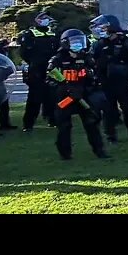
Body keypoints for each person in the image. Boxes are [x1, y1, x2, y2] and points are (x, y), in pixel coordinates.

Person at [47, 29, 109, 160]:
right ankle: (65, 154)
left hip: (83, 96)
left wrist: (91, 86)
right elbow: (50, 79)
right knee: (64, 125)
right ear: (65, 43)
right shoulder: (57, 60)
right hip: (66, 98)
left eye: (80, 42)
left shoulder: (86, 58)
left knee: (92, 122)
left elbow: (95, 76)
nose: (78, 45)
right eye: (74, 42)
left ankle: (99, 150)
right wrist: (64, 88)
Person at [89, 14, 128, 143]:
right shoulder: (98, 44)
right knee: (108, 111)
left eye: (103, 27)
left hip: (123, 82)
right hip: (105, 82)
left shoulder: (126, 41)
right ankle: (111, 136)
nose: (100, 30)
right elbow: (91, 62)